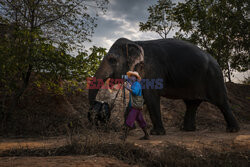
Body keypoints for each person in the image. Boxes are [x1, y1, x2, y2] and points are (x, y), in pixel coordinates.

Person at [120, 71, 149, 141]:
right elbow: (126, 79)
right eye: (131, 76)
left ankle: (124, 137)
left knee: (129, 120)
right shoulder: (133, 84)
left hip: (135, 106)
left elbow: (135, 92)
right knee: (141, 121)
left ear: (135, 78)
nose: (131, 77)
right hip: (136, 106)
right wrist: (124, 78)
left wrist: (127, 88)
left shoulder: (137, 84)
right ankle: (146, 135)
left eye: (133, 76)